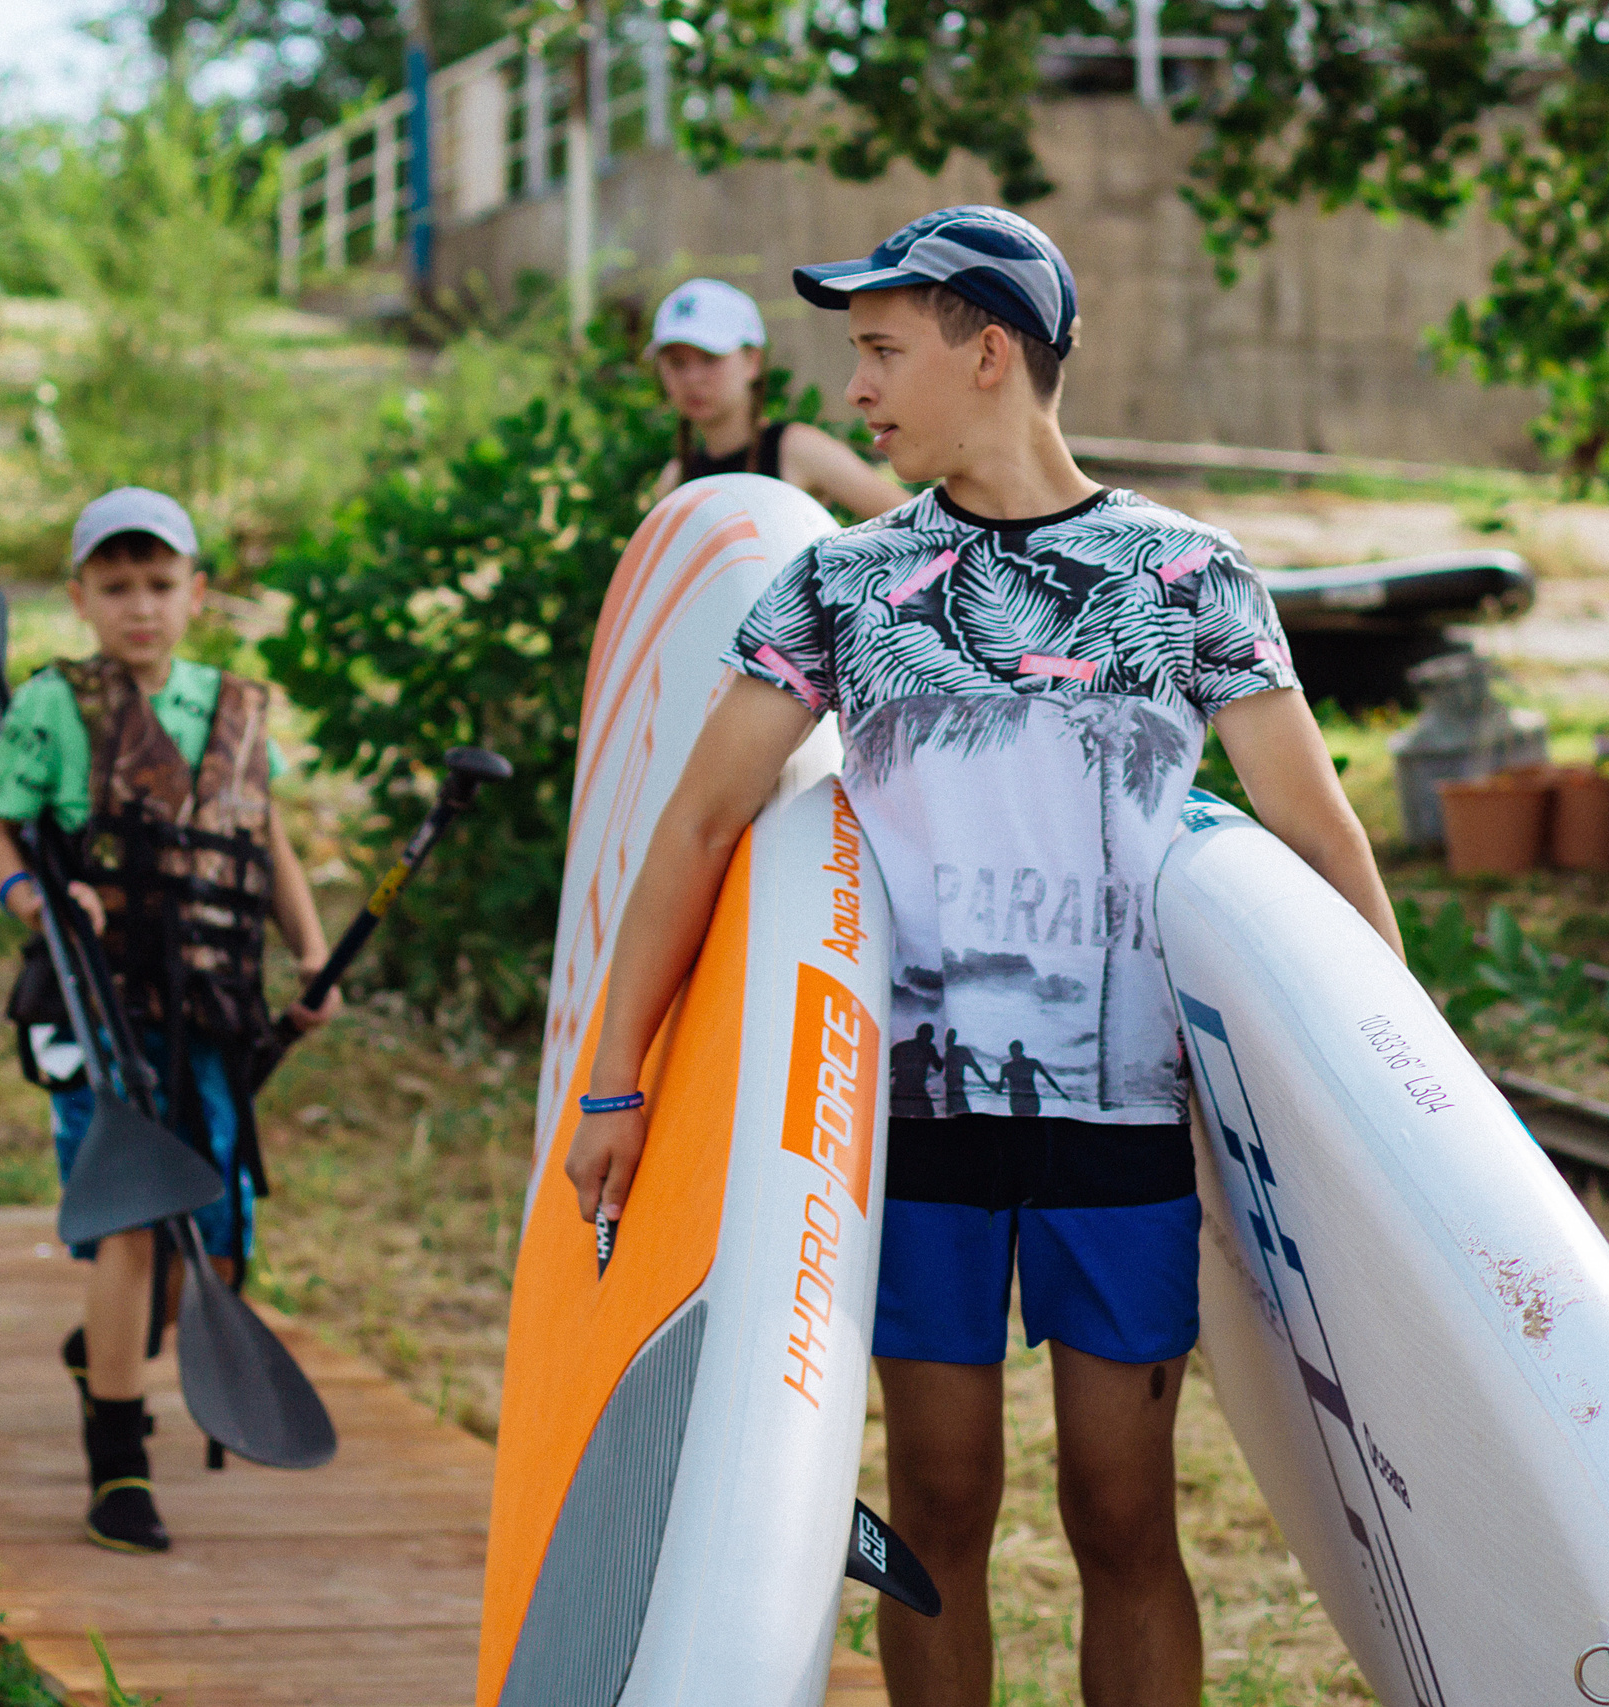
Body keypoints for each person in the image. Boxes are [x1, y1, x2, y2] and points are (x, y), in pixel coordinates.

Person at [564, 207, 1398, 1707]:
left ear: (990, 351)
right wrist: (613, 1080)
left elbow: (1318, 836)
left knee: (1122, 1511)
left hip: (1123, 1120)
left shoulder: (1186, 573)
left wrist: (1396, 1096)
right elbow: (697, 823)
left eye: (884, 351)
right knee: (935, 1511)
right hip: (917, 1123)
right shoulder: (844, 583)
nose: (856, 389)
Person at [0, 488, 341, 1556]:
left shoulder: (236, 711)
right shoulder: (53, 706)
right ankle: (118, 1461)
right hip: (101, 1008)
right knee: (134, 1221)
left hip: (212, 1009)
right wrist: (38, 902)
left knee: (210, 1245)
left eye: (160, 584)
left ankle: (108, 1346)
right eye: (117, 586)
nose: (140, 606)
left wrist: (312, 955)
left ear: (197, 594)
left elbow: (266, 843)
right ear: (81, 597)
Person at [647, 276, 904, 520]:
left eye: (710, 358)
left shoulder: (796, 449)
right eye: (677, 363)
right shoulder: (674, 479)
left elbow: (915, 524)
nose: (692, 378)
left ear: (752, 361)